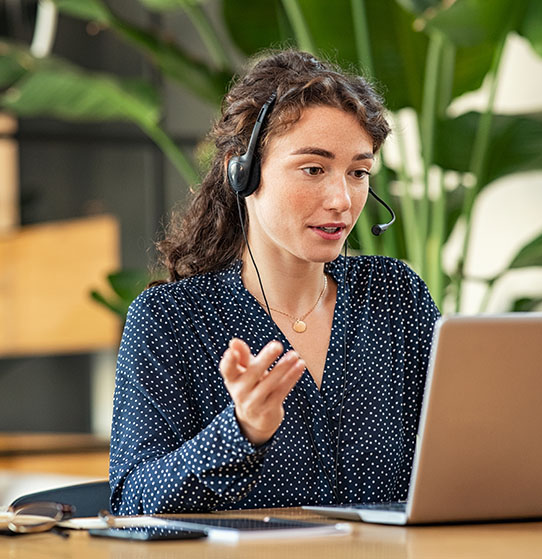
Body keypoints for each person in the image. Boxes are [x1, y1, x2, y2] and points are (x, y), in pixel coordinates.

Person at [109, 49, 440, 515]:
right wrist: (242, 431)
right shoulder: (170, 320)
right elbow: (132, 501)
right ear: (241, 171)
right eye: (313, 169)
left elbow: (461, 452)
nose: (342, 200)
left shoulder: (394, 295)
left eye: (358, 173)